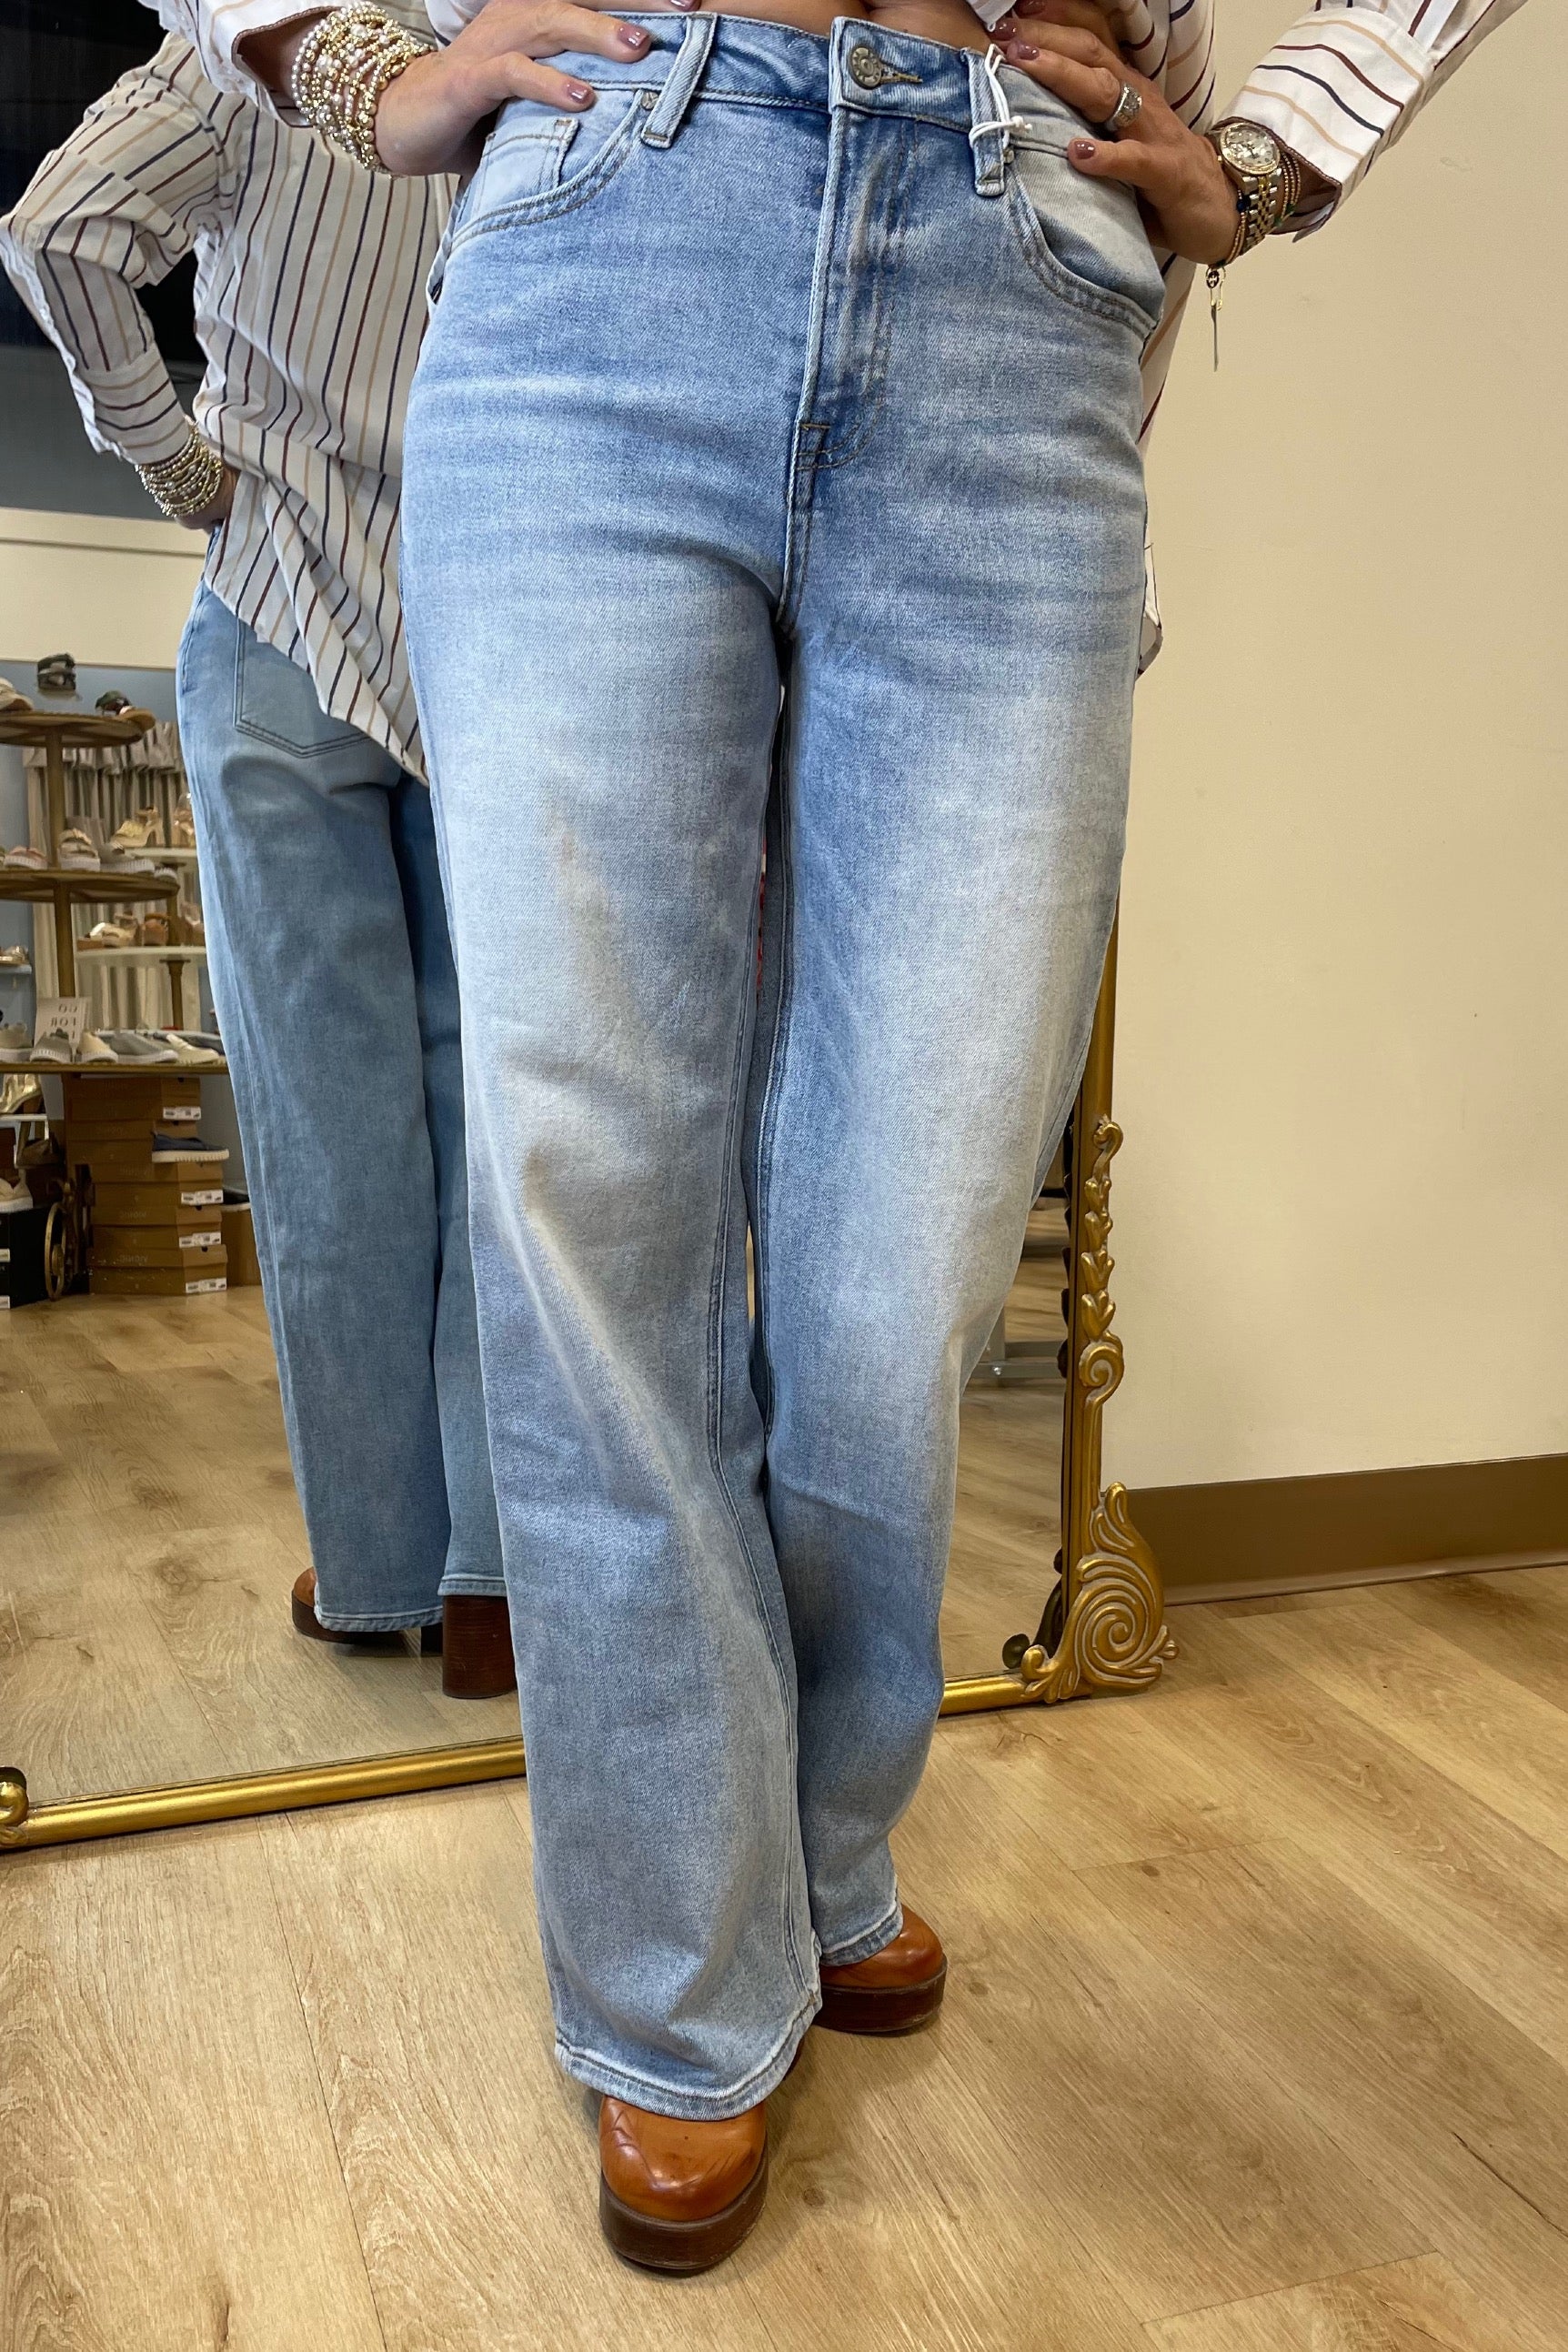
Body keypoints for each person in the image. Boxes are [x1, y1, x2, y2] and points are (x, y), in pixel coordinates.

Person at [150, 0, 1529, 2272]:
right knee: (595, 1195)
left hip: (1019, 264)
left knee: (908, 1254)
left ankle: (805, 1856)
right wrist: (342, 55)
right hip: (612, 228)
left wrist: (1283, 153)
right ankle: (677, 1979)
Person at [0, 29, 518, 1693]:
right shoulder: (526, 45)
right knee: (499, 1126)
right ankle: (495, 1581)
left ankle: (378, 1567)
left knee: (325, 1125)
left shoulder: (261, 45)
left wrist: (173, 458)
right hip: (486, 630)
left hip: (280, 601)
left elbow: (60, 231)